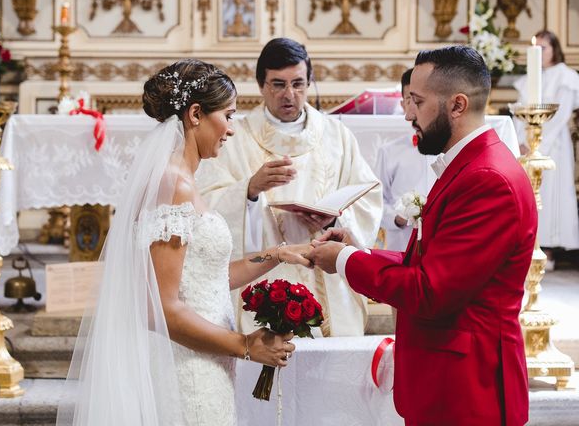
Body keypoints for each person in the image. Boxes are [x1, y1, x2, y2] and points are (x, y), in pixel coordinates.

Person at [57, 59, 311, 426]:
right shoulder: (173, 185)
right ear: (195, 114)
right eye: (228, 115)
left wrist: (275, 255)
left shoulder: (185, 181)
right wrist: (245, 345)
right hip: (188, 365)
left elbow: (204, 279)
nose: (232, 129)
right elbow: (163, 308)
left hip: (208, 358)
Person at [307, 46, 537, 426]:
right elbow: (434, 264)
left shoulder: (486, 180)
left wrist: (344, 262)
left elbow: (431, 292)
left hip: (468, 388)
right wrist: (357, 252)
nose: (408, 112)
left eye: (416, 100)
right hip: (449, 378)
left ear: (457, 105)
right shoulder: (469, 164)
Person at [196, 37, 383, 337]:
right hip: (263, 278)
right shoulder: (235, 137)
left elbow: (368, 196)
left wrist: (334, 219)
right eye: (278, 84)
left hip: (326, 274)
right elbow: (206, 203)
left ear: (309, 82)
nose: (290, 94)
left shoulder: (336, 135)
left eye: (298, 84)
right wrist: (250, 191)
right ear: (260, 85)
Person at [514, 30, 579, 262]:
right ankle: (528, 245)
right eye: (536, 49)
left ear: (555, 50)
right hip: (527, 144)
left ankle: (549, 248)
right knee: (529, 195)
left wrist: (537, 144)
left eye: (544, 48)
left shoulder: (565, 76)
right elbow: (521, 112)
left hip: (554, 145)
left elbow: (560, 115)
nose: (540, 53)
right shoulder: (532, 76)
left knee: (551, 195)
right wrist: (520, 142)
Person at [374, 67, 437, 251]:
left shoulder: (448, 147)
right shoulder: (389, 151)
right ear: (403, 105)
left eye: (421, 100)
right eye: (410, 100)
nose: (415, 107)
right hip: (401, 243)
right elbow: (375, 201)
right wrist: (396, 217)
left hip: (440, 241)